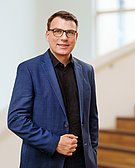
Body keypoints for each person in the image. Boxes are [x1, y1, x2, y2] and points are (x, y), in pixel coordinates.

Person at [8, 10, 99, 168]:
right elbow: (16, 120)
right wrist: (54, 142)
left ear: (76, 37)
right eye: (57, 31)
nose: (64, 37)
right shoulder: (29, 69)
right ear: (47, 35)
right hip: (44, 161)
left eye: (70, 32)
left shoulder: (87, 70)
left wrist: (93, 155)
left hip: (81, 162)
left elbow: (92, 119)